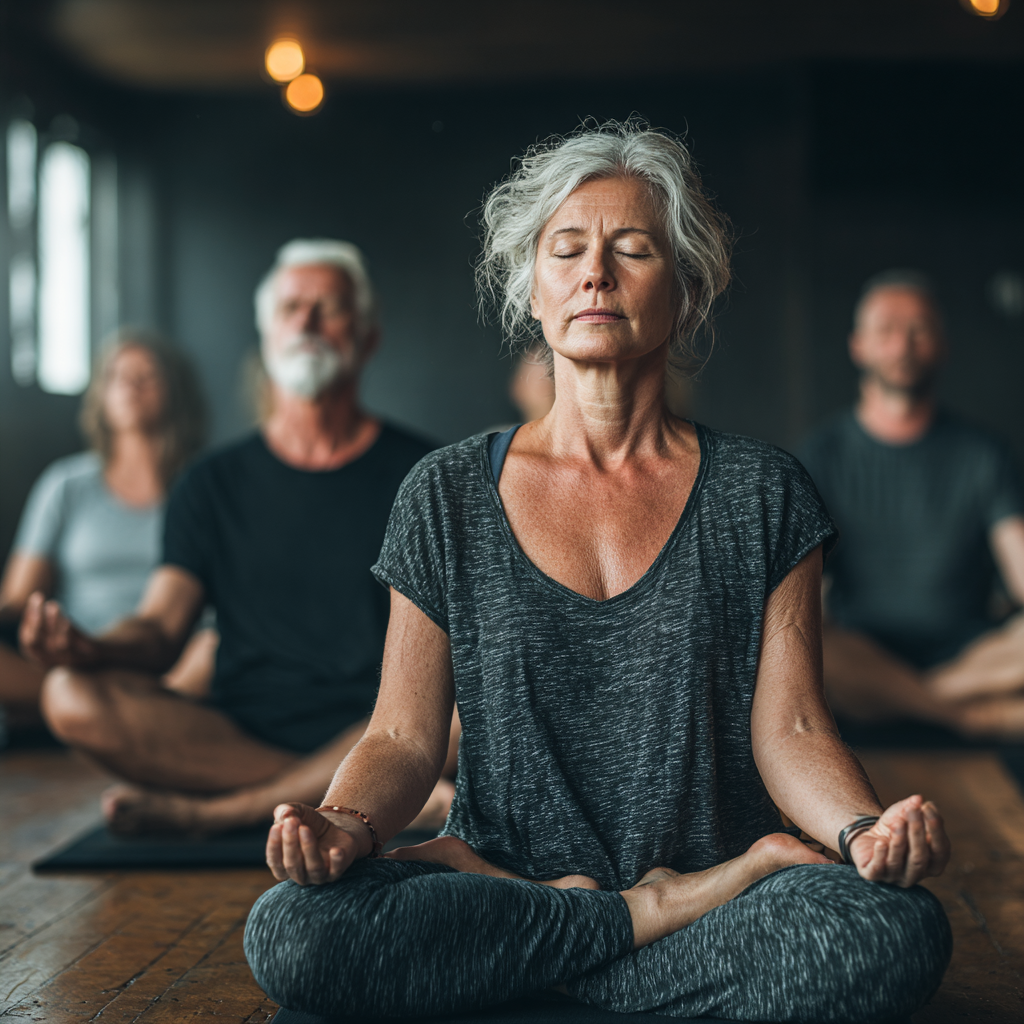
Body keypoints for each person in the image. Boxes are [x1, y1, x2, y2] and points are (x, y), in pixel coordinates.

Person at [243, 126, 951, 1024]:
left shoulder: (764, 491)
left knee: (892, 931)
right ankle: (641, 920)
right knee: (291, 930)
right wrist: (343, 826)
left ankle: (570, 942)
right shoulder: (446, 492)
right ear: (530, 291)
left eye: (634, 249)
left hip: (705, 890)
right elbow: (403, 739)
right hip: (511, 879)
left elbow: (796, 726)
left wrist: (862, 832)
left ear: (685, 290)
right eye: (567, 249)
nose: (596, 274)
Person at [23, 239, 454, 834]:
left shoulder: (428, 474)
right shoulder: (209, 481)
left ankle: (219, 813)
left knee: (465, 707)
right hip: (237, 728)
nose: (305, 321)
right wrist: (91, 648)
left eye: (327, 308)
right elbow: (159, 630)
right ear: (267, 336)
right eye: (290, 308)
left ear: (368, 338)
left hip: (383, 723)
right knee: (69, 695)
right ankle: (363, 798)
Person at [799, 271, 1024, 740]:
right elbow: (801, 595)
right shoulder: (821, 457)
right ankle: (967, 718)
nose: (903, 345)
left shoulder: (984, 454)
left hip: (970, 655)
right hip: (863, 652)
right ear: (858, 345)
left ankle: (914, 702)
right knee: (800, 644)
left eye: (919, 329)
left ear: (942, 344)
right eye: (887, 330)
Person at [0, 332, 211, 736]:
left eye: (146, 375)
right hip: (70, 661)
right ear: (101, 394)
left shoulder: (203, 486)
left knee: (211, 650)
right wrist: (44, 635)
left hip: (168, 667)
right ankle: (109, 715)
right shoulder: (65, 485)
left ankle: (100, 716)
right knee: (65, 684)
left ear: (174, 391)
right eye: (118, 376)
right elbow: (18, 599)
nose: (131, 386)